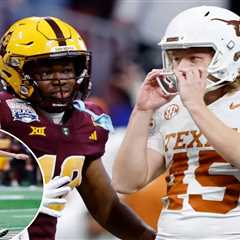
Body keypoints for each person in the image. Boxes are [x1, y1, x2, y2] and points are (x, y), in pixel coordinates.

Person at [0, 16, 156, 240]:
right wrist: (16, 203)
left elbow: (105, 207)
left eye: (66, 70)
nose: (60, 80)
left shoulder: (84, 121)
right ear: (14, 70)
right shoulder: (4, 111)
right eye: (46, 72)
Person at [112, 5, 240, 240]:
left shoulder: (201, 105)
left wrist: (196, 106)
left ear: (231, 54)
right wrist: (142, 111)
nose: (181, 68)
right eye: (176, 58)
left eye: (194, 59)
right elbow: (126, 182)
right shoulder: (172, 109)